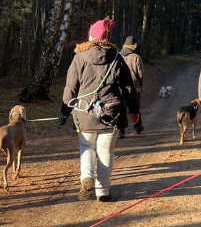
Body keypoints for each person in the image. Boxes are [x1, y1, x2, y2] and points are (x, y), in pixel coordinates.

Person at [60, 18, 139, 202]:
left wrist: (65, 110)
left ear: (90, 36)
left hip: (84, 112)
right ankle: (102, 191)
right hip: (110, 113)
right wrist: (134, 111)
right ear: (105, 38)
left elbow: (70, 88)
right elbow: (129, 88)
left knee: (86, 146)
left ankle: (86, 176)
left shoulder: (79, 58)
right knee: (105, 153)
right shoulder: (116, 57)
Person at [120, 36, 145, 134]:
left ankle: (121, 130)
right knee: (134, 107)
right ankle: (137, 126)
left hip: (120, 87)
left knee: (121, 108)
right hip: (133, 86)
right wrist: (140, 85)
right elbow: (140, 74)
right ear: (134, 46)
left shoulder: (117, 56)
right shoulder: (136, 57)